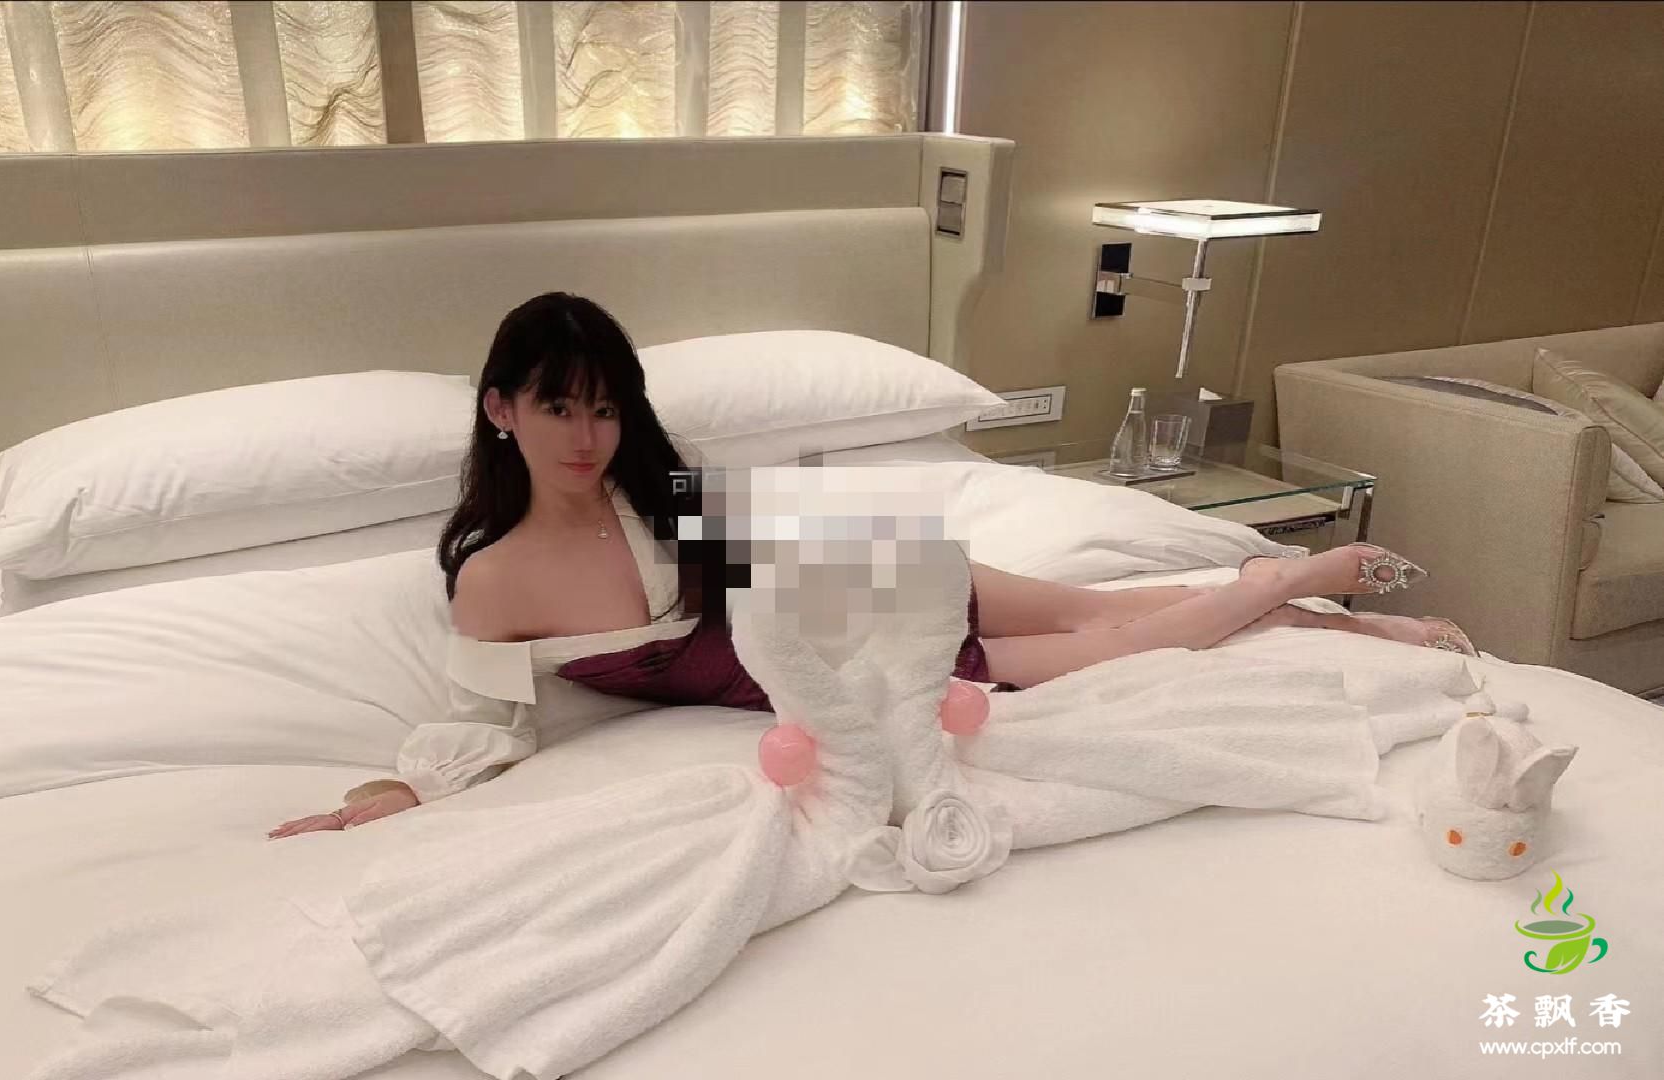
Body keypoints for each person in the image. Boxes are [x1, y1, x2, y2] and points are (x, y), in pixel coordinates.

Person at [269, 293, 1472, 839]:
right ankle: (1288, 596)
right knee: (1106, 645)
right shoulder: (493, 576)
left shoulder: (661, 494)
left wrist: (867, 555)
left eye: (604, 408)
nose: (584, 436)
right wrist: (398, 792)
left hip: (849, 580)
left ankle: (1300, 600)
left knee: (1100, 606)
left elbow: (771, 548)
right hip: (834, 664)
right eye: (556, 408)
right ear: (499, 410)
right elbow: (485, 722)